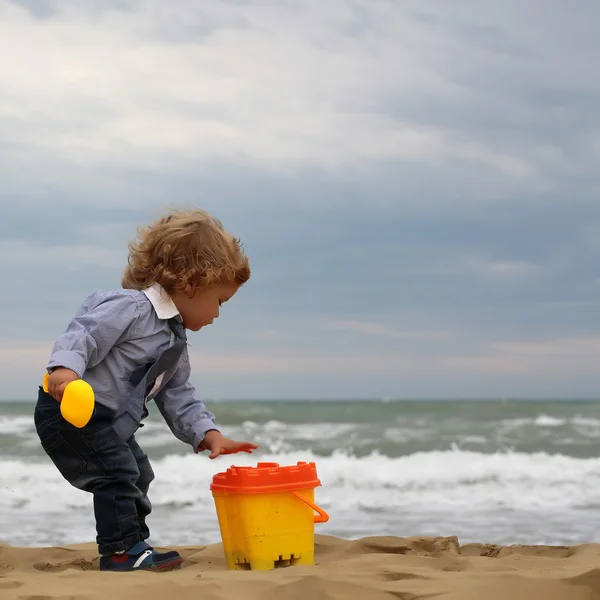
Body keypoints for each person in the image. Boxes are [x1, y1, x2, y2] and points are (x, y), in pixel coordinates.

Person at [33, 208, 258, 572]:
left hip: (107, 422)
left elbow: (179, 395)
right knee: (118, 471)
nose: (218, 313)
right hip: (71, 410)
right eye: (220, 301)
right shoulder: (132, 309)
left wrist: (209, 434)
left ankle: (133, 544)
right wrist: (65, 369)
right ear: (191, 283)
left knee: (139, 471)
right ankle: (120, 553)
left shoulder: (175, 342)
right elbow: (84, 334)